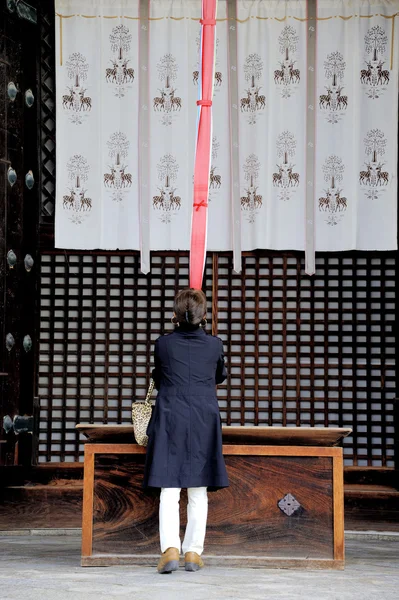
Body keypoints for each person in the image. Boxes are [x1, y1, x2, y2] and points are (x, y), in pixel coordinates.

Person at [143, 287, 229, 574]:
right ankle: (193, 552)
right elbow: (219, 376)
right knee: (198, 487)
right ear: (203, 316)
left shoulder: (163, 344)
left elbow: (159, 373)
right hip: (204, 416)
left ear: (175, 316)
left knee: (169, 487)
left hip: (171, 415)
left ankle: (169, 549)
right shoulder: (215, 345)